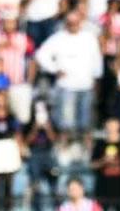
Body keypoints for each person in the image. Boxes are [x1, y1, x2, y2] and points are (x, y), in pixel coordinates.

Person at [35, 12, 102, 154]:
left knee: (86, 121)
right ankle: (64, 150)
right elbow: (41, 55)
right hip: (66, 85)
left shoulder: (89, 38)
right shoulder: (58, 38)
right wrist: (54, 69)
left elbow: (96, 59)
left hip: (86, 84)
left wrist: (97, 78)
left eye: (76, 23)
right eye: (70, 23)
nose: (73, 26)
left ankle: (86, 151)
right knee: (66, 121)